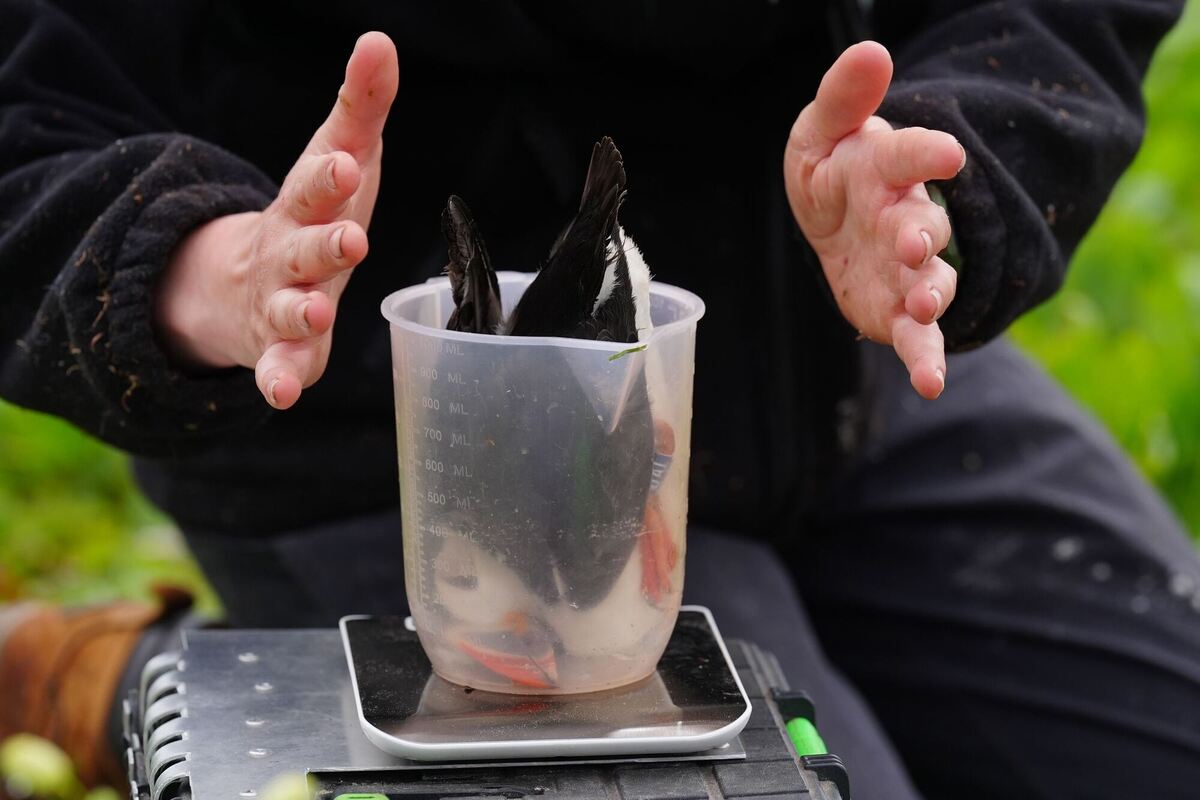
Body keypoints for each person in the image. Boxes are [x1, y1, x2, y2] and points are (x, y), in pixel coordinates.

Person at [1, 1, 1197, 798]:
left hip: (827, 346)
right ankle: (187, 689)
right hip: (398, 445)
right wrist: (187, 263)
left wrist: (940, 168)